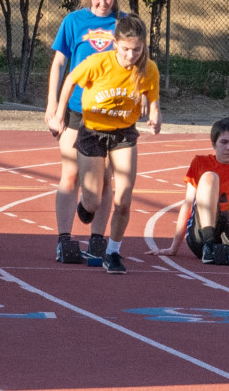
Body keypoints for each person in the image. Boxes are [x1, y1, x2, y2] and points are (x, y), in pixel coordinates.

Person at [51, 14, 161, 275]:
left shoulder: (148, 69)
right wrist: (58, 113)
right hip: (92, 131)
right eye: (125, 49)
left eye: (137, 49)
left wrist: (155, 115)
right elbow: (69, 81)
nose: (131, 55)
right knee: (93, 201)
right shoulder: (98, 63)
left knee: (123, 198)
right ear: (115, 44)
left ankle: (113, 251)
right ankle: (84, 206)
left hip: (124, 133)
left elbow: (152, 96)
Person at [45, 0, 123, 262]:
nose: (103, 3)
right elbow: (59, 63)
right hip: (77, 108)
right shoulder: (74, 21)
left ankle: (97, 239)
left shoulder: (124, 23)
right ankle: (65, 239)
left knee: (104, 179)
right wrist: (53, 107)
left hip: (111, 111)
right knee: (71, 173)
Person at [148, 118, 229, 263]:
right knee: (210, 177)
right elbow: (188, 204)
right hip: (202, 237)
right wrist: (174, 248)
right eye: (224, 142)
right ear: (214, 144)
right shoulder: (200, 162)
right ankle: (209, 246)